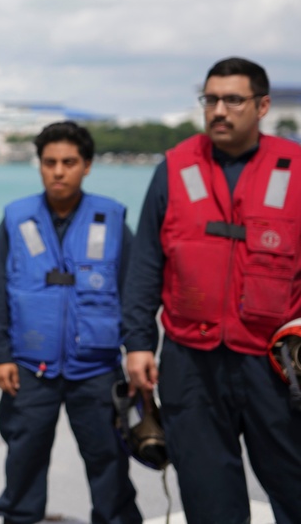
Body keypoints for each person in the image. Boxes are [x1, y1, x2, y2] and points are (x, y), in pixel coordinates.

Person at [123, 57, 301, 524]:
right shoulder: (175, 168)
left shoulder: (296, 168)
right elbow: (146, 263)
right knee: (207, 497)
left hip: (276, 364)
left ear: (262, 106)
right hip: (191, 361)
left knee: (294, 485)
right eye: (211, 99)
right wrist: (139, 343)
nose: (219, 110)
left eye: (233, 100)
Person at [0, 121, 141, 524]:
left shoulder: (112, 218)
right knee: (24, 463)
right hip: (30, 369)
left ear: (86, 166)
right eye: (49, 162)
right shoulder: (17, 220)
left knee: (109, 464)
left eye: (69, 162)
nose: (58, 171)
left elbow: (135, 294)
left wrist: (138, 347)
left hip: (97, 368)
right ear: (39, 166)